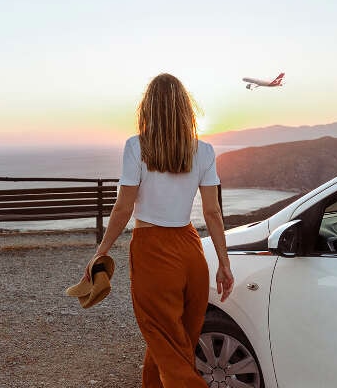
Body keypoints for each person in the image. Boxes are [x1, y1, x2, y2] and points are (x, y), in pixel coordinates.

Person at [84, 73, 234, 387]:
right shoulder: (204, 150)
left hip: (153, 251)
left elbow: (123, 207)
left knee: (172, 354)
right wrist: (224, 262)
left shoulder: (135, 147)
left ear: (148, 108)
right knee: (175, 345)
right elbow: (212, 212)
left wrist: (102, 250)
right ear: (184, 108)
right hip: (192, 252)